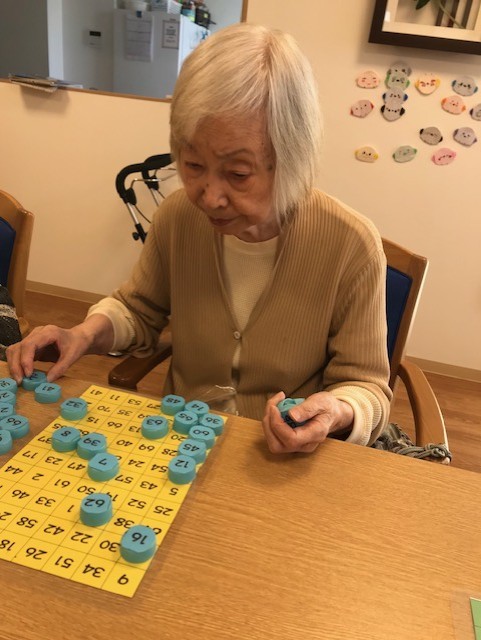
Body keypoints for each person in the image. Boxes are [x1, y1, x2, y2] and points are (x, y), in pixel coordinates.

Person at [6, 23, 392, 454]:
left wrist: (337, 410)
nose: (209, 197)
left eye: (238, 174)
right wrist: (83, 334)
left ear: (292, 159)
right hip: (180, 442)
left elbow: (367, 387)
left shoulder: (351, 245)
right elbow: (139, 309)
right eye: (192, 165)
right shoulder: (178, 217)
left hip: (284, 460)